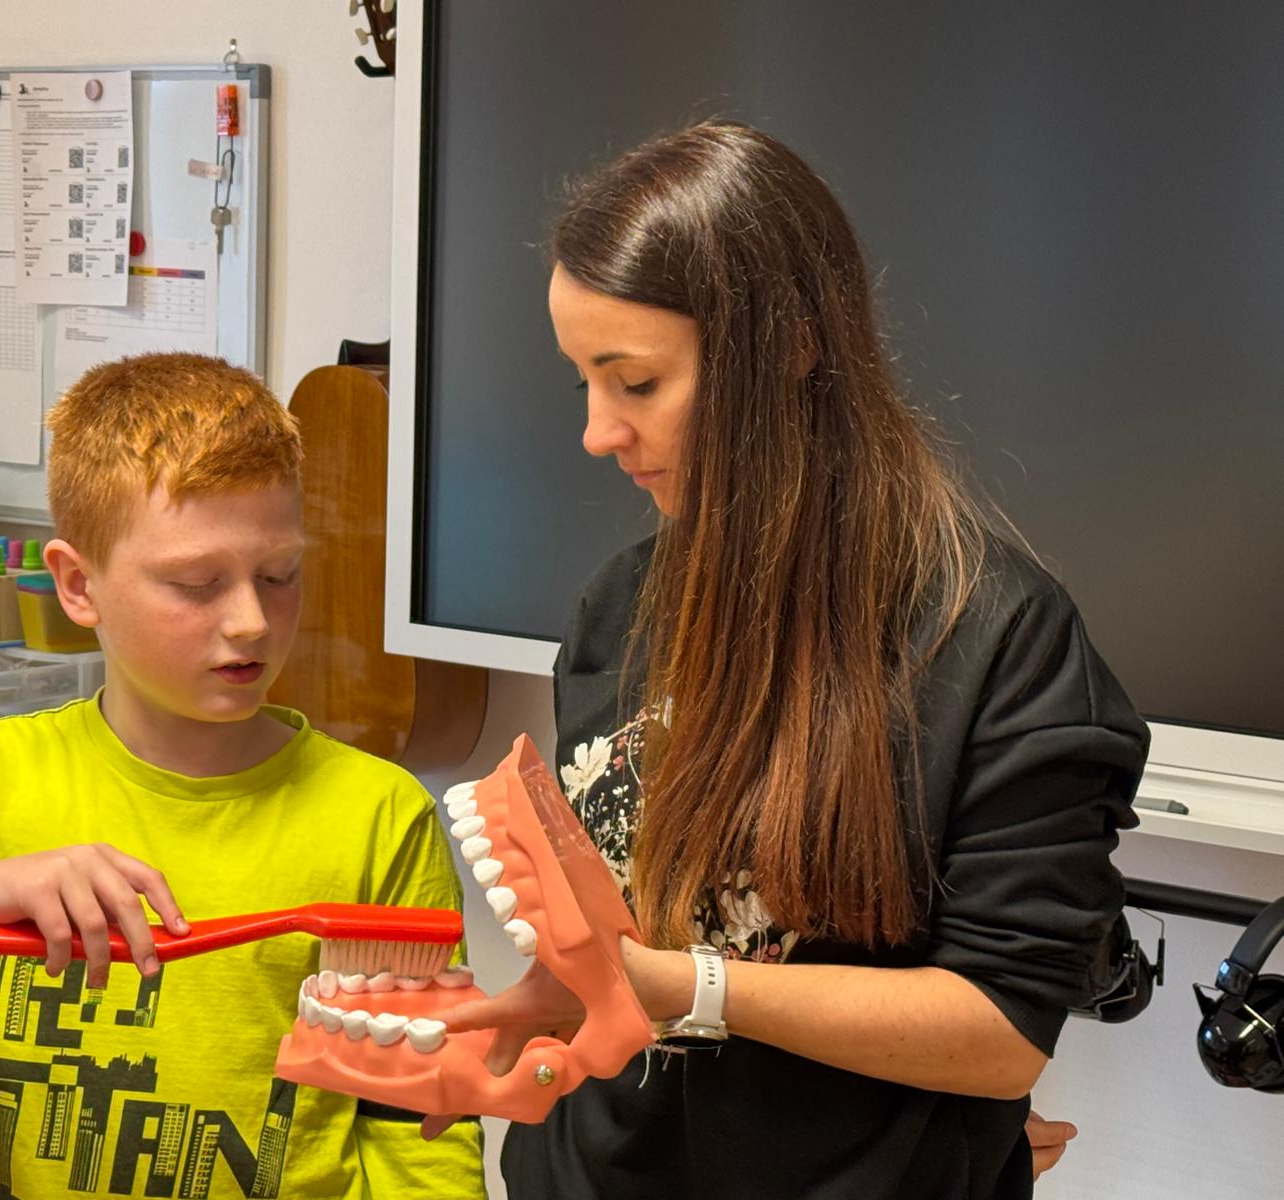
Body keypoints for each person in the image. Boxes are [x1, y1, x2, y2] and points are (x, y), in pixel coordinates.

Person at [425, 123, 1148, 1198]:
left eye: (635, 382)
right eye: (584, 383)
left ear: (792, 348)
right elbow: (628, 945)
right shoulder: (619, 605)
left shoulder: (996, 639)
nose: (596, 433)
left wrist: (688, 989)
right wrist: (552, 1009)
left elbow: (999, 1031)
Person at [0, 353, 484, 1199]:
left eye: (280, 574)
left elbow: (419, 1139)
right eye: (196, 584)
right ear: (78, 585)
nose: (252, 621)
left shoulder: (378, 818)